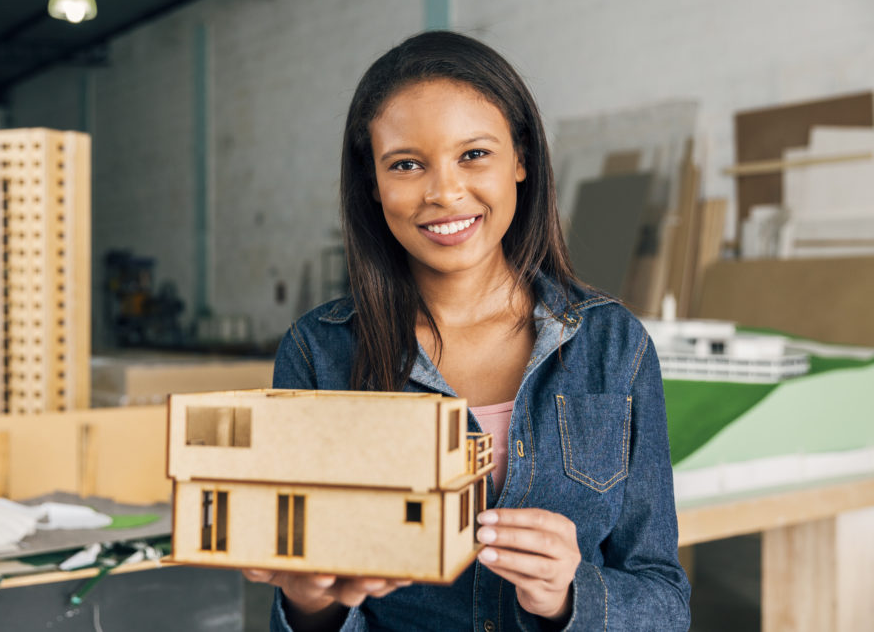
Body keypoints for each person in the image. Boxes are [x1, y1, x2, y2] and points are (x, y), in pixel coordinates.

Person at [245, 31, 691, 631]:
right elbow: (302, 600)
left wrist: (568, 596)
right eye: (406, 164)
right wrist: (310, 600)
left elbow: (664, 601)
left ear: (521, 159)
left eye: (474, 154)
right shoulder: (319, 353)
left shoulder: (613, 346)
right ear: (373, 185)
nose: (445, 192)